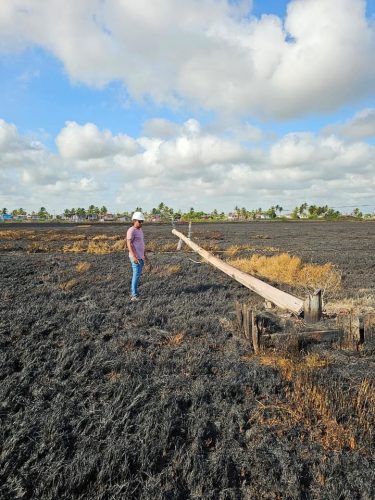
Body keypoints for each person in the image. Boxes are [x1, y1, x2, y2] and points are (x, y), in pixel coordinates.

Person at [126, 211, 148, 301]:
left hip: (140, 256)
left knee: (138, 275)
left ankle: (135, 292)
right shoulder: (131, 230)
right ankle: (134, 295)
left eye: (142, 221)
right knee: (136, 275)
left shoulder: (140, 230)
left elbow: (141, 244)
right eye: (139, 221)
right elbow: (129, 244)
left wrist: (145, 255)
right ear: (134, 220)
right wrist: (134, 256)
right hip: (135, 257)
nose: (141, 223)